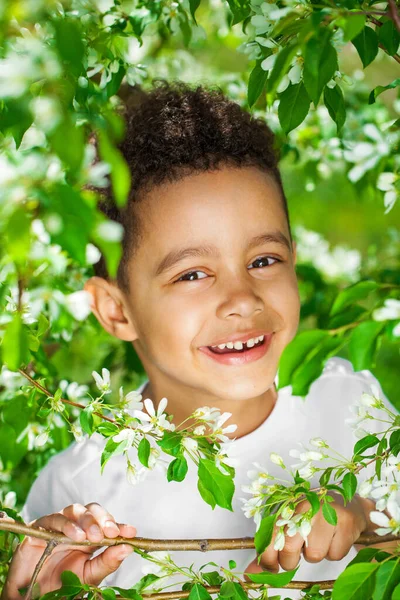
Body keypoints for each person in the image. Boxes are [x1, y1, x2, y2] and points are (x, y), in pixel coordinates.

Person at [1, 80, 397, 600]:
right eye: (191, 275)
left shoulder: (347, 405)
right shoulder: (81, 489)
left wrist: (363, 518)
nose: (242, 299)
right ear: (116, 310)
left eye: (264, 261)